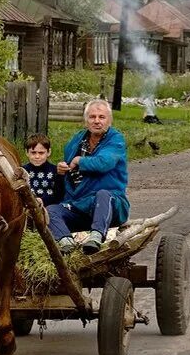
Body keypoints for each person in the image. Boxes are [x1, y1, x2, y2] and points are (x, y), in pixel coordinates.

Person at [46, 99, 130, 255]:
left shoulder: (116, 140)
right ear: (86, 121)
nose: (97, 121)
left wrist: (79, 160)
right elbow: (68, 176)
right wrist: (61, 169)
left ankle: (96, 237)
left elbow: (104, 163)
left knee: (103, 194)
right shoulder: (75, 142)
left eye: (101, 117)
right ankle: (66, 243)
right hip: (79, 205)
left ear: (109, 120)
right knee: (51, 210)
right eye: (92, 117)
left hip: (109, 207)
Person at [22, 133, 64, 208]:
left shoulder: (56, 171)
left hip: (49, 208)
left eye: (41, 153)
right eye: (33, 152)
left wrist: (43, 200)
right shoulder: (23, 171)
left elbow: (59, 195)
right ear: (27, 152)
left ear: (48, 152)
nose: (37, 156)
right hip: (26, 208)